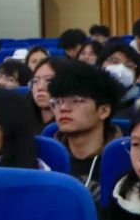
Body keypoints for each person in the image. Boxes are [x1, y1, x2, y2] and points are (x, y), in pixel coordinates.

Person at [48, 60, 124, 198]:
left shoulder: (124, 158)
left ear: (104, 111)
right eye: (58, 102)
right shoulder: (46, 159)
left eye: (76, 100)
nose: (63, 108)